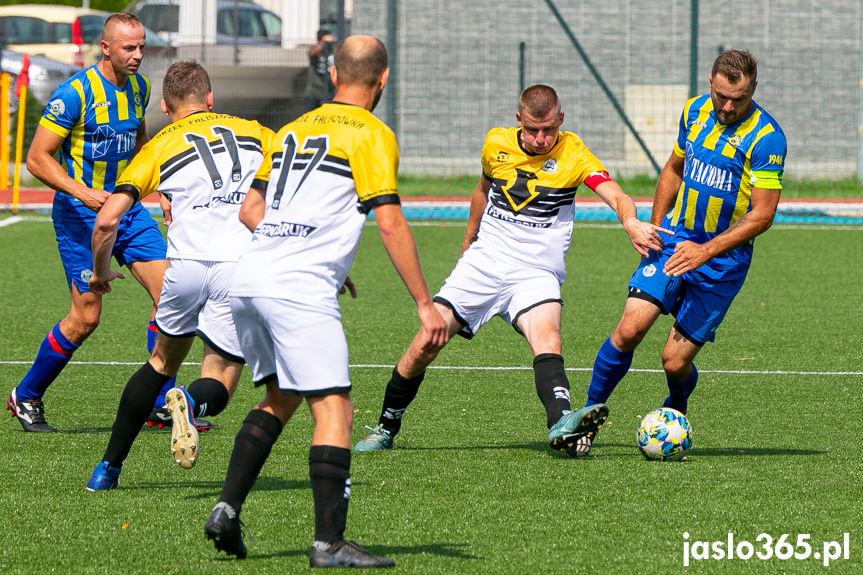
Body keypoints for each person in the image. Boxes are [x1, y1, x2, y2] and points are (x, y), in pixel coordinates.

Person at [203, 35, 447, 568]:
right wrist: (425, 304)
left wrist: (295, 248)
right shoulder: (375, 134)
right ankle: (328, 543)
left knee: (281, 397)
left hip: (251, 276)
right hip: (296, 286)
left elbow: (249, 208)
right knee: (335, 408)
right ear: (384, 80)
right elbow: (388, 219)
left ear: (334, 76)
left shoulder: (293, 128)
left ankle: (226, 508)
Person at [354, 84, 669, 458]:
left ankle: (563, 425)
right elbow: (483, 190)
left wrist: (630, 221)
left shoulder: (573, 152)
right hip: (484, 264)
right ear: (518, 120)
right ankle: (386, 427)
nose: (540, 138)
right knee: (426, 342)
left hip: (536, 273)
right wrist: (468, 239)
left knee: (548, 340)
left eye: (549, 129)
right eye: (533, 129)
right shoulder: (495, 144)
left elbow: (616, 194)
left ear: (561, 120)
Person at [578, 49, 786, 451]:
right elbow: (674, 169)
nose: (727, 106)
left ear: (753, 90)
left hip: (721, 261)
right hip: (674, 241)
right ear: (710, 81)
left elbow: (763, 215)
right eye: (721, 96)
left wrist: (705, 251)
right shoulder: (693, 111)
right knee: (629, 329)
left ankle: (677, 403)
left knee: (674, 361)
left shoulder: (767, 138)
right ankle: (586, 417)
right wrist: (655, 226)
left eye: (737, 99)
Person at [84, 60, 274, 491]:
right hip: (239, 266)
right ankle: (188, 400)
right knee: (221, 375)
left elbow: (107, 222)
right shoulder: (257, 131)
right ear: (210, 99)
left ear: (168, 109)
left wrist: (100, 272)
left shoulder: (158, 145)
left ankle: (107, 469)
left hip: (185, 266)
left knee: (160, 363)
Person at [7, 13, 170, 433]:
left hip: (127, 209)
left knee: (170, 296)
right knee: (86, 317)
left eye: (141, 47)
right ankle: (25, 396)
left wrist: (161, 189)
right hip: (81, 215)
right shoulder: (74, 93)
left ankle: (155, 401)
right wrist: (82, 192)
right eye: (129, 48)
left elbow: (140, 143)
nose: (137, 55)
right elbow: (37, 159)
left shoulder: (139, 87)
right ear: (106, 47)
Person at [303, 28, 335, 112]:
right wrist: (322, 45)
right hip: (314, 92)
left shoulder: (334, 50)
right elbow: (311, 53)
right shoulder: (314, 49)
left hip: (330, 92)